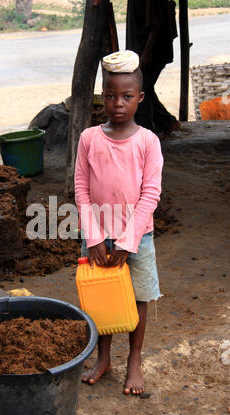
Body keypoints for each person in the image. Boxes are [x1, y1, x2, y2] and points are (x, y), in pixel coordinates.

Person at [74, 50, 163, 395]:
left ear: (140, 97)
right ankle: (104, 357)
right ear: (103, 96)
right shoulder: (89, 139)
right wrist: (93, 236)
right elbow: (81, 188)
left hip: (138, 238)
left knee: (137, 297)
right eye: (110, 96)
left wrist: (127, 242)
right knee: (102, 298)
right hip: (97, 236)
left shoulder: (148, 142)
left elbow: (150, 195)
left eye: (127, 96)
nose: (118, 104)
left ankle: (135, 359)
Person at [126, 0, 180, 138]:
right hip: (143, 50)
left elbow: (157, 25)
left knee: (141, 89)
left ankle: (147, 133)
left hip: (151, 50)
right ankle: (166, 122)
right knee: (143, 88)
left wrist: (147, 53)